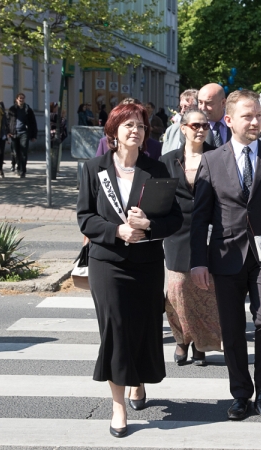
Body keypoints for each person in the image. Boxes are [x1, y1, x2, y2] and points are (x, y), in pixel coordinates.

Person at [190, 89, 261, 421]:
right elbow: (199, 218)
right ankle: (240, 393)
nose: (255, 121)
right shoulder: (211, 160)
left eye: (258, 115)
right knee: (233, 328)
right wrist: (198, 261)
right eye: (247, 116)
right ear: (229, 120)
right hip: (225, 256)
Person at [77, 102, 183, 438]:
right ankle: (118, 406)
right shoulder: (94, 168)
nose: (134, 130)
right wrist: (117, 230)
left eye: (139, 125)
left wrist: (149, 225)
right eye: (127, 125)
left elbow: (176, 218)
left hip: (147, 265)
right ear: (114, 132)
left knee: (142, 328)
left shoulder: (158, 169)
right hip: (107, 263)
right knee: (116, 332)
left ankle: (138, 381)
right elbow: (85, 217)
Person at [160, 108, 221, 367]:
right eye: (195, 125)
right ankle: (181, 339)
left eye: (204, 126)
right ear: (183, 128)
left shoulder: (218, 157)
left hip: (209, 231)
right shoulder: (167, 160)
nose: (200, 130)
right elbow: (159, 196)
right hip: (177, 231)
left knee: (205, 292)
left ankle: (201, 344)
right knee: (177, 291)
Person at [95, 98, 162, 161]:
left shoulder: (155, 147)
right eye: (129, 125)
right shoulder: (105, 143)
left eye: (140, 126)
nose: (135, 130)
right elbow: (98, 169)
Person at [7, 93, 37, 178]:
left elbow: (33, 122)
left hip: (24, 133)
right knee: (16, 153)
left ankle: (22, 170)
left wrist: (33, 135)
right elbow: (8, 121)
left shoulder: (28, 109)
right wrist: (8, 132)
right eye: (20, 98)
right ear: (16, 99)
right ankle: (18, 167)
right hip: (14, 133)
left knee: (23, 152)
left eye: (23, 98)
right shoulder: (12, 109)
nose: (21, 100)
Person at [162, 89, 198, 155]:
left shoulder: (204, 129)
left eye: (186, 107)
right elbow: (165, 155)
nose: (182, 111)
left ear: (198, 107)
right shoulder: (172, 130)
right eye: (181, 107)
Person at [199, 83, 230, 148]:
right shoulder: (192, 127)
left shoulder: (234, 123)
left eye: (208, 103)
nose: (203, 108)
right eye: (200, 102)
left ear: (223, 103)